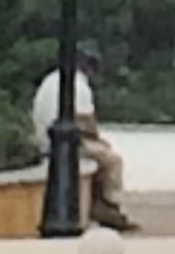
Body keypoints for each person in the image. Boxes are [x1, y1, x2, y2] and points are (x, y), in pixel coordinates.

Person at [31, 50, 136, 232]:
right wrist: (100, 140)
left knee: (97, 155)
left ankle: (98, 201)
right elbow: (85, 121)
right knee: (112, 159)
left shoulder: (52, 79)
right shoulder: (78, 85)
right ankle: (110, 206)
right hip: (61, 142)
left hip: (43, 138)